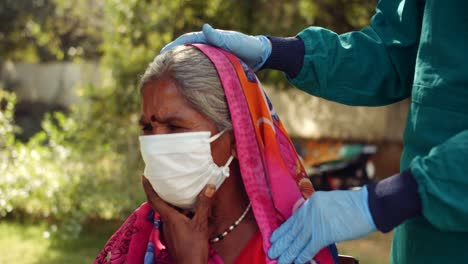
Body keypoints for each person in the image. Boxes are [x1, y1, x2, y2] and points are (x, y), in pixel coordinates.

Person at [161, 1, 468, 264]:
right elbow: (393, 52)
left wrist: (384, 201)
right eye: (148, 125)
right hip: (423, 235)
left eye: (175, 126)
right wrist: (280, 52)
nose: (159, 140)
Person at [95, 44, 339, 263]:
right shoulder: (144, 231)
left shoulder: (293, 241)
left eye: (175, 127)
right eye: (148, 127)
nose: (156, 145)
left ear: (236, 135)